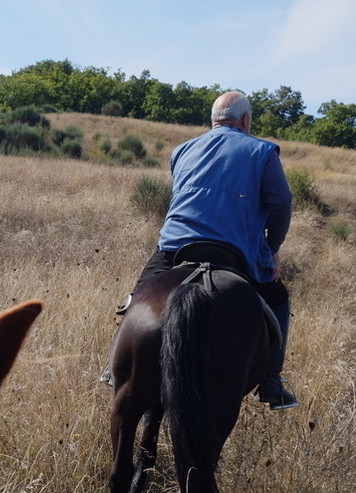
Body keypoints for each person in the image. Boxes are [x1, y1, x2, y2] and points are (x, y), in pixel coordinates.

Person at [106, 90, 298, 409]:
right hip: (234, 249)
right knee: (278, 299)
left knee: (139, 297)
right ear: (246, 120)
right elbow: (281, 204)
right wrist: (272, 247)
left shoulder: (181, 151)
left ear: (212, 121)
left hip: (176, 246)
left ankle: (115, 367)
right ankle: (272, 383)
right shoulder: (263, 152)